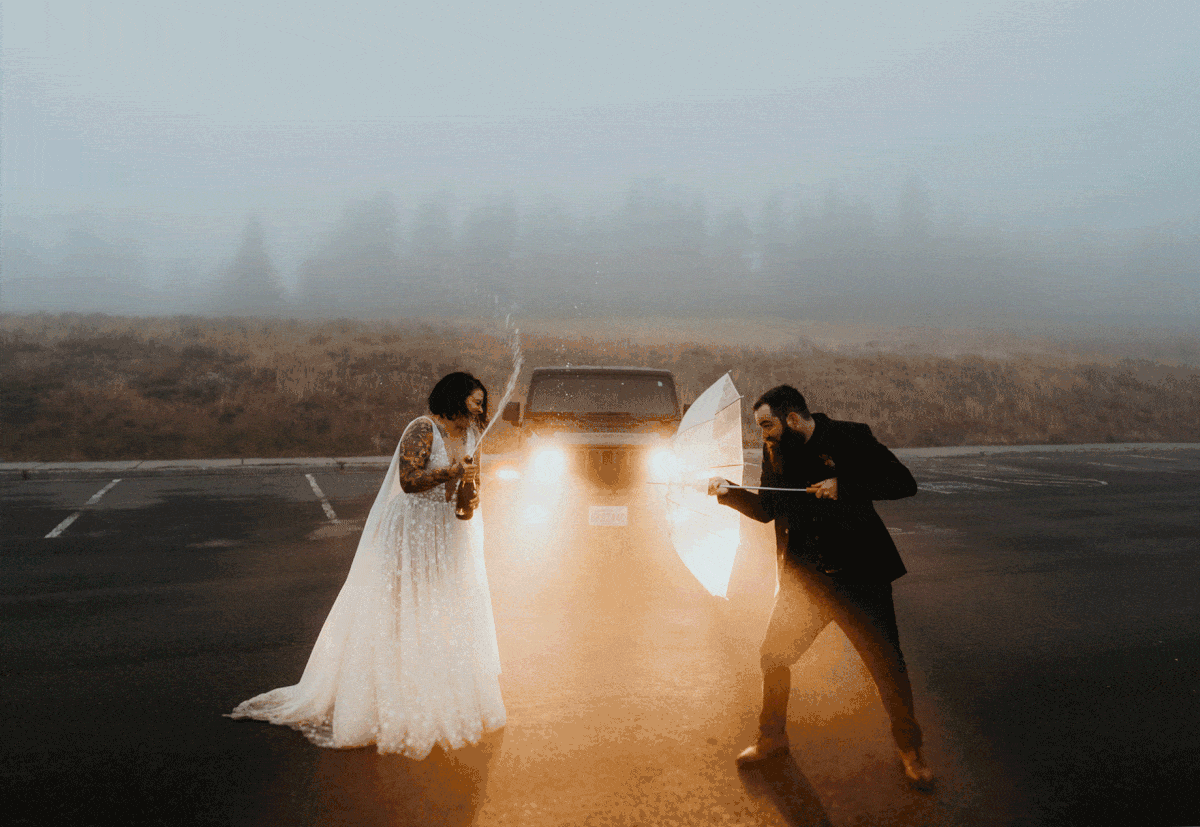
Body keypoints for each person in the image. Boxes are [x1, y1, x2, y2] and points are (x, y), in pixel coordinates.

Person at [229, 372, 505, 758]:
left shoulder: (475, 437)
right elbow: (409, 481)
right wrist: (453, 472)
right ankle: (384, 696)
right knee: (397, 610)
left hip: (447, 534)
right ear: (454, 399)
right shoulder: (422, 429)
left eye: (481, 401)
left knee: (440, 610)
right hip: (411, 530)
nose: (480, 408)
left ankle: (434, 689)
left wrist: (470, 490)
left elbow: (469, 489)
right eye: (474, 401)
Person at [708, 384, 933, 784]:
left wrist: (843, 487)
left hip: (860, 577)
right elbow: (768, 507)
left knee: (887, 665)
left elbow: (903, 482)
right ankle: (771, 738)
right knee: (774, 657)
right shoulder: (775, 450)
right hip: (806, 582)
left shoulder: (850, 436)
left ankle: (910, 749)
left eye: (767, 425)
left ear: (793, 418)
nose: (763, 435)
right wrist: (730, 494)